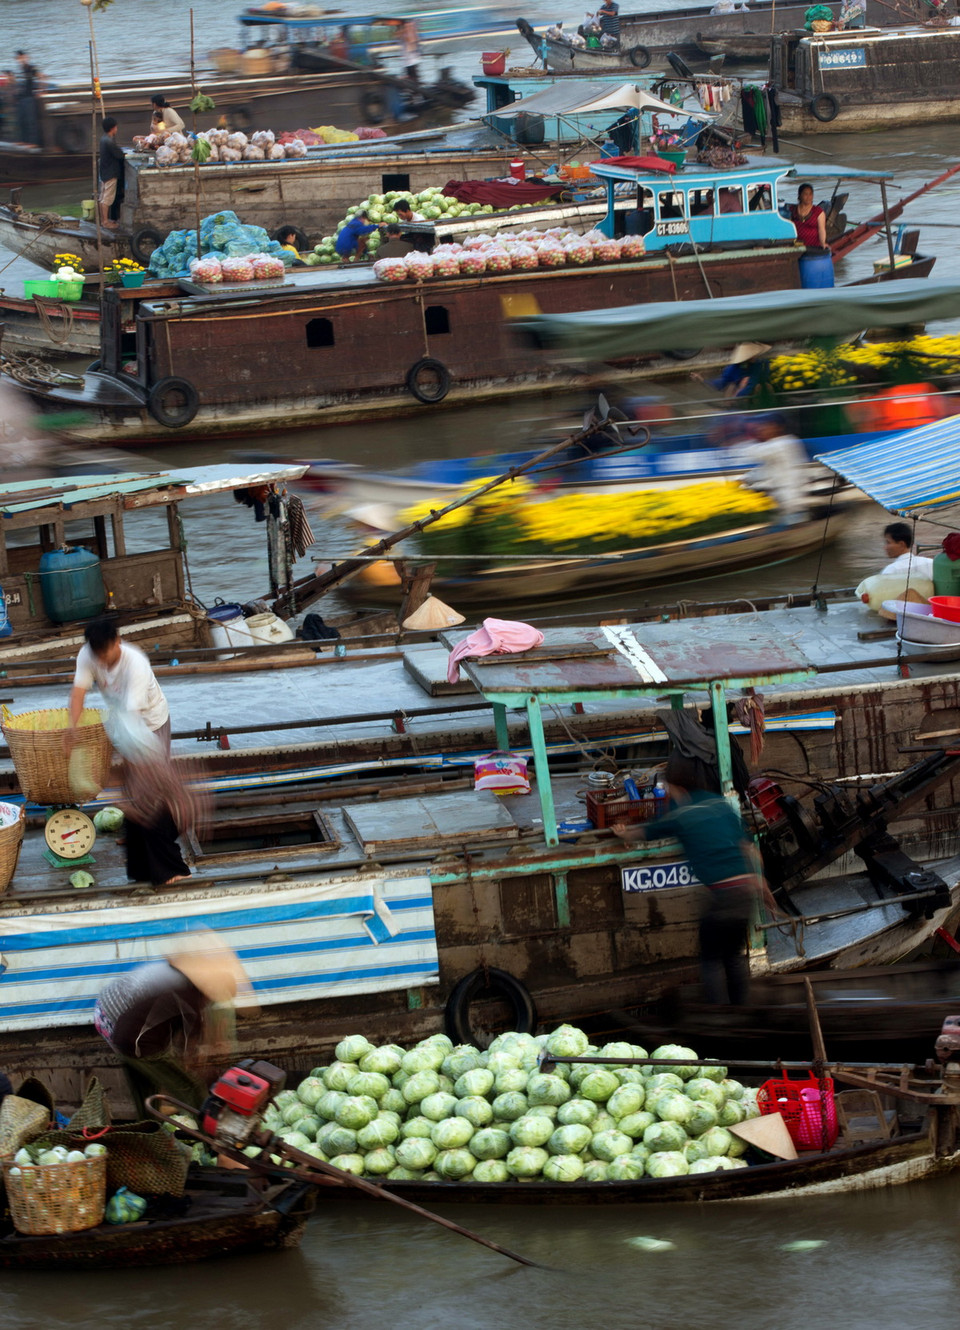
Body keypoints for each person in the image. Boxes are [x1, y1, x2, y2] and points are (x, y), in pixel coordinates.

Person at [613, 753, 778, 1004]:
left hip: (722, 896)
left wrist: (622, 833)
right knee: (733, 955)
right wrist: (763, 884)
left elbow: (644, 832)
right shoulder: (719, 803)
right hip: (745, 891)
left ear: (676, 787)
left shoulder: (681, 813)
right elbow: (750, 848)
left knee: (711, 958)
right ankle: (741, 1010)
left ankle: (718, 1017)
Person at [93, 935, 253, 1117]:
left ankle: (149, 1130)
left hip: (118, 1033)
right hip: (135, 1040)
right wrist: (198, 1073)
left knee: (146, 1085)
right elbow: (189, 1048)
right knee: (190, 1087)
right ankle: (209, 1137)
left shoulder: (179, 982)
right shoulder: (190, 998)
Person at [69, 617, 170, 752]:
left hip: (150, 720)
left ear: (117, 641)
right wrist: (72, 729)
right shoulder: (87, 654)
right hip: (124, 719)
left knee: (156, 768)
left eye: (104, 655)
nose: (100, 662)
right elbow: (78, 694)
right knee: (132, 768)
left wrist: (149, 749)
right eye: (96, 656)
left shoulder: (136, 664)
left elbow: (133, 714)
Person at [743, 416, 810, 522]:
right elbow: (766, 469)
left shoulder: (783, 443)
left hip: (791, 497)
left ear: (778, 427)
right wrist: (746, 478)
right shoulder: (781, 443)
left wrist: (740, 439)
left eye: (766, 426)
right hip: (784, 498)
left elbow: (753, 453)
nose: (761, 430)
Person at [97, 116, 126, 229]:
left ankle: (103, 220)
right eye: (116, 127)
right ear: (113, 128)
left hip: (104, 172)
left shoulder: (104, 139)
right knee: (107, 199)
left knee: (103, 197)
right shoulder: (109, 141)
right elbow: (119, 155)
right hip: (110, 173)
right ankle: (105, 222)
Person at [14, 51, 42, 147]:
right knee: (22, 120)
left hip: (29, 97)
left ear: (25, 57)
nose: (19, 60)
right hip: (22, 98)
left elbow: (41, 77)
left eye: (21, 57)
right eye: (18, 58)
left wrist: (40, 90)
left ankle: (33, 142)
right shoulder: (20, 69)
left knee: (31, 120)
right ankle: (24, 140)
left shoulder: (31, 68)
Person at [789, 181, 827, 248]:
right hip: (796, 246)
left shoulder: (818, 212)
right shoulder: (792, 210)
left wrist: (823, 243)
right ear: (800, 195)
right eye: (805, 194)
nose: (808, 197)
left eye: (810, 194)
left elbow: (821, 230)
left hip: (813, 247)